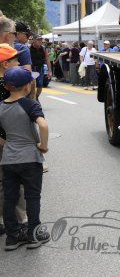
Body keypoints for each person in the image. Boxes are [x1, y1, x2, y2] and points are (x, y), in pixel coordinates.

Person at [0, 67, 50, 250]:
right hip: (30, 159)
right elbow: (43, 125)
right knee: (32, 197)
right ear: (28, 86)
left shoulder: (1, 106)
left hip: (8, 160)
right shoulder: (30, 104)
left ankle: (12, 237)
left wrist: (8, 143)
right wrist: (43, 146)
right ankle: (33, 235)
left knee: (10, 198)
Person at [0, 44, 29, 237]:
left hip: (7, 141)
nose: (19, 63)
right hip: (6, 142)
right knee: (12, 182)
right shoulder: (6, 88)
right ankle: (22, 222)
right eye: (15, 60)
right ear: (4, 64)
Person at [29, 36, 51, 101]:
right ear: (34, 40)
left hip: (40, 68)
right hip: (31, 68)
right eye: (38, 40)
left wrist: (49, 71)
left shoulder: (44, 48)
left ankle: (36, 97)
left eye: (41, 40)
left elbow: (47, 59)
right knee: (32, 84)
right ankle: (33, 99)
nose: (40, 41)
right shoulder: (28, 48)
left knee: (40, 85)